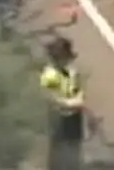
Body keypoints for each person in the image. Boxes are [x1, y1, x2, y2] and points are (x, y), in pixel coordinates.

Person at [39, 36, 87, 170]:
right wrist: (70, 103)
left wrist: (79, 97)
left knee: (74, 145)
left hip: (74, 116)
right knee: (59, 149)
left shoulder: (71, 71)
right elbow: (50, 97)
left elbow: (78, 87)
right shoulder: (50, 75)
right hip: (59, 117)